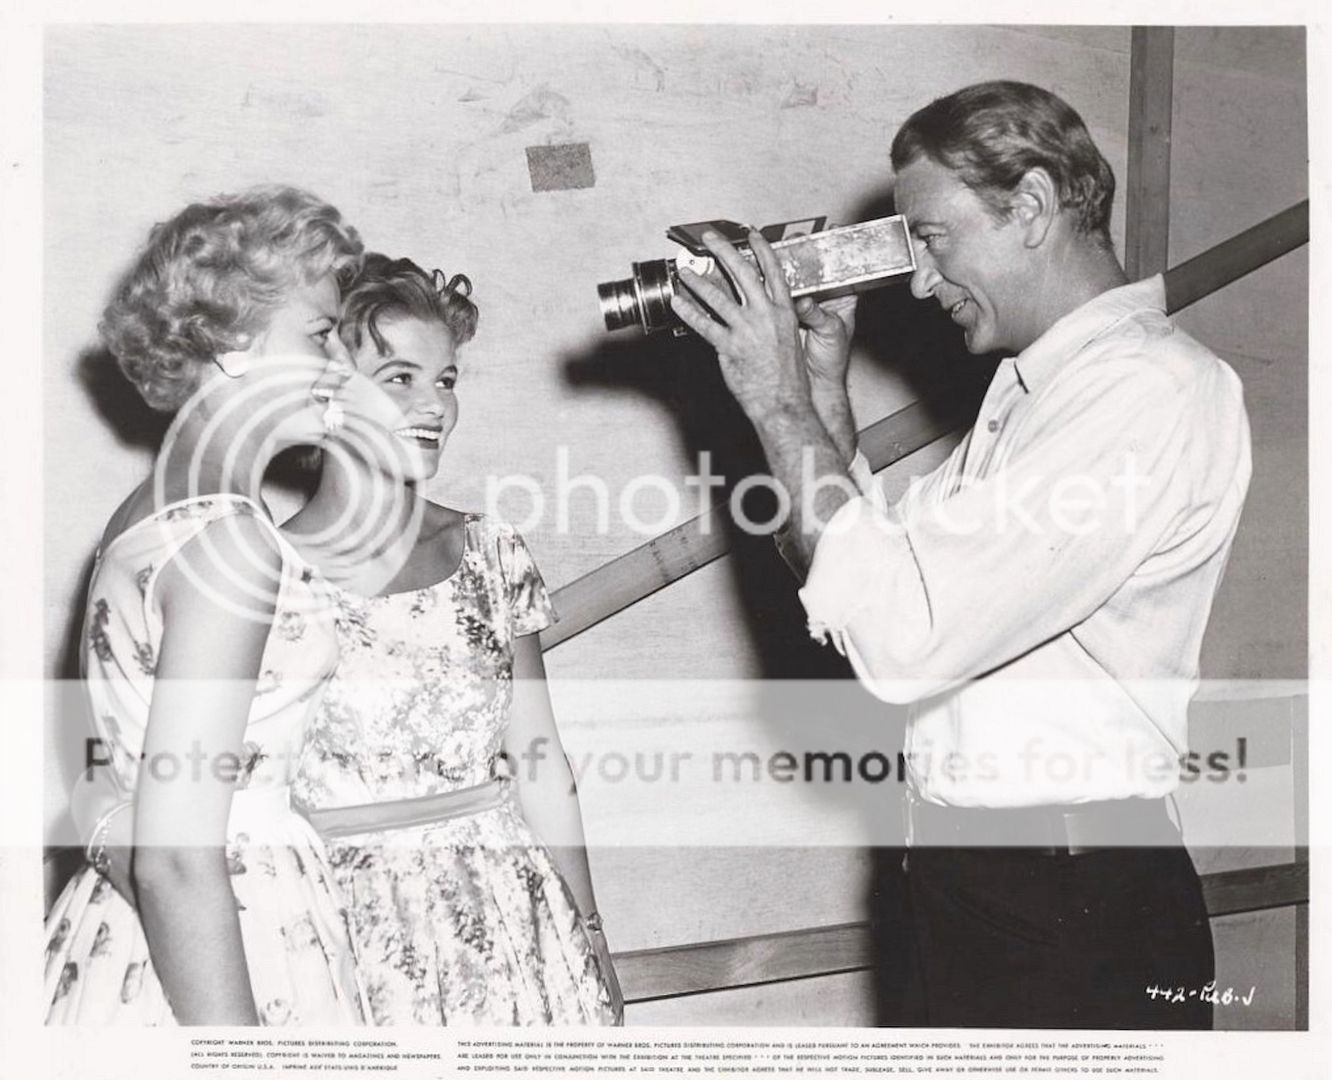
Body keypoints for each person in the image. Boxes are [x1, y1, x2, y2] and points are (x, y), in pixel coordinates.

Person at [669, 81, 1251, 1029]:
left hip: (1073, 908)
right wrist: (816, 403)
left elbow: (905, 647)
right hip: (979, 888)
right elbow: (870, 586)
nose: (919, 282)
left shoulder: (1149, 390)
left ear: (1028, 206)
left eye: (932, 238)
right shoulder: (1031, 396)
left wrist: (776, 402)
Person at [44, 185, 370, 1025]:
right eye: (322, 334)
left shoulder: (144, 512)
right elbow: (179, 861)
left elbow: (96, 775)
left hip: (133, 938)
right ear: (231, 342)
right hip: (219, 945)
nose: (344, 365)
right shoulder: (229, 538)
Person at [283, 254, 623, 1025]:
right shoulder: (264, 573)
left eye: (445, 380)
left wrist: (590, 931)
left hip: (510, 918)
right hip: (343, 928)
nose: (433, 406)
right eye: (399, 378)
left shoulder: (490, 552)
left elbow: (540, 762)